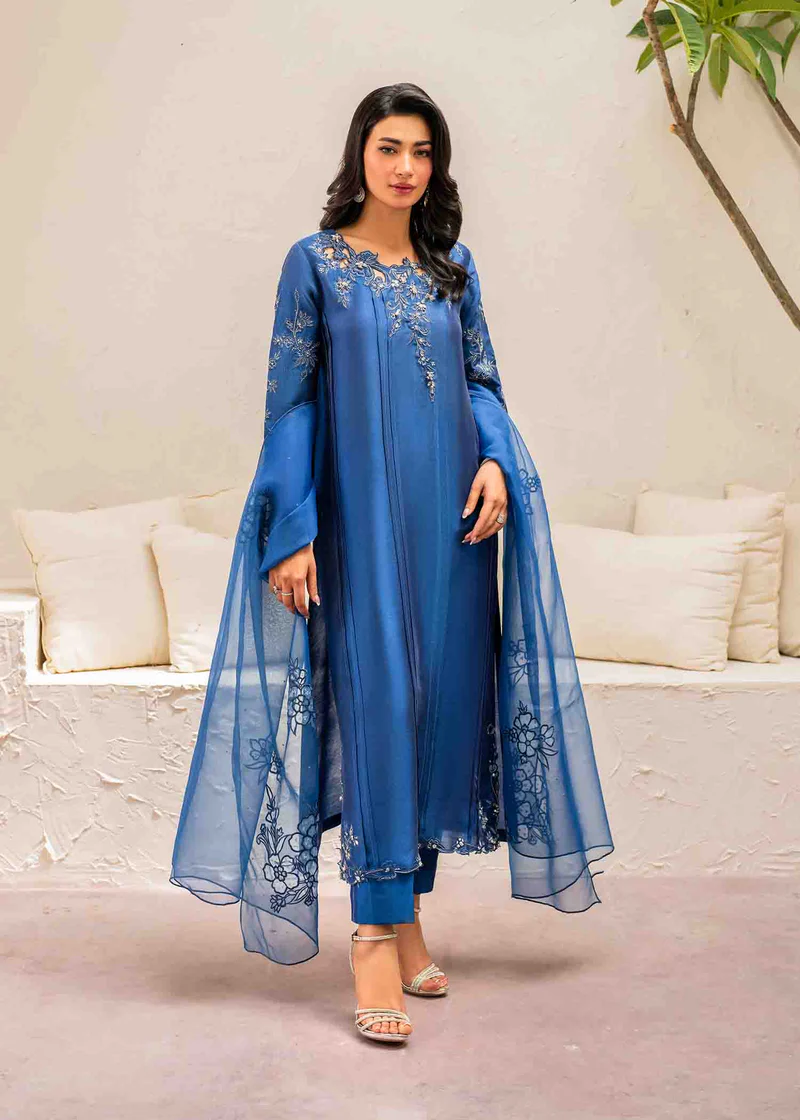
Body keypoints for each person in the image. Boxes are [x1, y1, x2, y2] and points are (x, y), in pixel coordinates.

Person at [171, 82, 614, 1046]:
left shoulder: (454, 268)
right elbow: (290, 403)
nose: (406, 167)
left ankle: (407, 917)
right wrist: (292, 527)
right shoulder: (316, 264)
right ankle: (373, 935)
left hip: (453, 527)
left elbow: (483, 380)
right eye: (388, 148)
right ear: (359, 156)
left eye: (421, 151)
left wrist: (496, 460)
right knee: (378, 701)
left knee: (438, 708)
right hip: (358, 525)